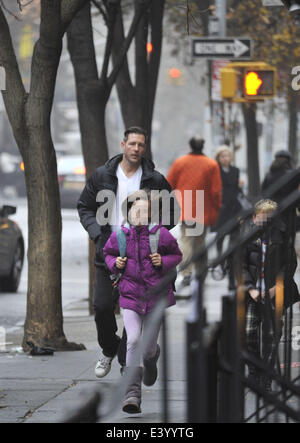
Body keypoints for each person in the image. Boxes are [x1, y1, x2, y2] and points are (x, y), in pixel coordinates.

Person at [77, 126, 179, 379]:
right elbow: (85, 207)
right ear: (123, 145)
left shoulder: (154, 179)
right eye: (132, 144)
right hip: (110, 252)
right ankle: (109, 348)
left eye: (141, 145)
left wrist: (153, 234)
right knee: (102, 307)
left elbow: (173, 212)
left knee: (135, 310)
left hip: (142, 259)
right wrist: (98, 234)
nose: (136, 149)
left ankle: (127, 366)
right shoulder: (103, 175)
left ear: (145, 148)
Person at [103, 191, 182, 414]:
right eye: (136, 210)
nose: (140, 214)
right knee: (133, 340)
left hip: (156, 298)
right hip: (130, 297)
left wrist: (163, 261)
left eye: (145, 211)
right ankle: (132, 394)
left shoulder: (161, 234)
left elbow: (177, 255)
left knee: (146, 350)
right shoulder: (120, 236)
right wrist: (115, 263)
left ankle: (152, 355)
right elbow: (107, 254)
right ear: (128, 213)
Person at [243, 199, 299, 391]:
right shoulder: (246, 236)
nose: (265, 221)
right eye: (261, 217)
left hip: (275, 293)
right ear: (254, 217)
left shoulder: (282, 236)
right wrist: (250, 288)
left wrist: (277, 287)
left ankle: (266, 374)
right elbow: (238, 265)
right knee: (249, 334)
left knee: (272, 335)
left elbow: (290, 263)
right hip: (252, 293)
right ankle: (254, 369)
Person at [167, 136, 222, 285]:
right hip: (203, 208)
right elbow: (216, 191)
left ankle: (186, 272)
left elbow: (169, 184)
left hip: (186, 207)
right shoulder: (211, 165)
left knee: (186, 240)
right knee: (200, 241)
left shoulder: (180, 162)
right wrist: (216, 210)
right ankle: (201, 270)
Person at [212, 145, 242, 290]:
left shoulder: (236, 170)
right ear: (218, 158)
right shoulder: (215, 170)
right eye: (222, 156)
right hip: (221, 209)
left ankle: (230, 269)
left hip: (234, 209)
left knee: (233, 241)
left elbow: (236, 189)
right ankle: (220, 258)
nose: (226, 158)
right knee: (220, 237)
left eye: (227, 155)